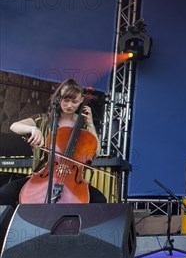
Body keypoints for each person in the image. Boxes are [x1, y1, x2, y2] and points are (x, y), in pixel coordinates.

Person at [0, 79, 107, 207]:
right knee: (4, 193)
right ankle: (13, 225)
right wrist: (33, 129)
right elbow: (14, 126)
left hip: (72, 181)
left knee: (100, 201)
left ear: (81, 101)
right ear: (58, 99)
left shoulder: (83, 127)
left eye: (74, 101)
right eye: (65, 100)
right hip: (41, 178)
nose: (69, 105)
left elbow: (95, 152)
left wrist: (90, 125)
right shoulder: (45, 120)